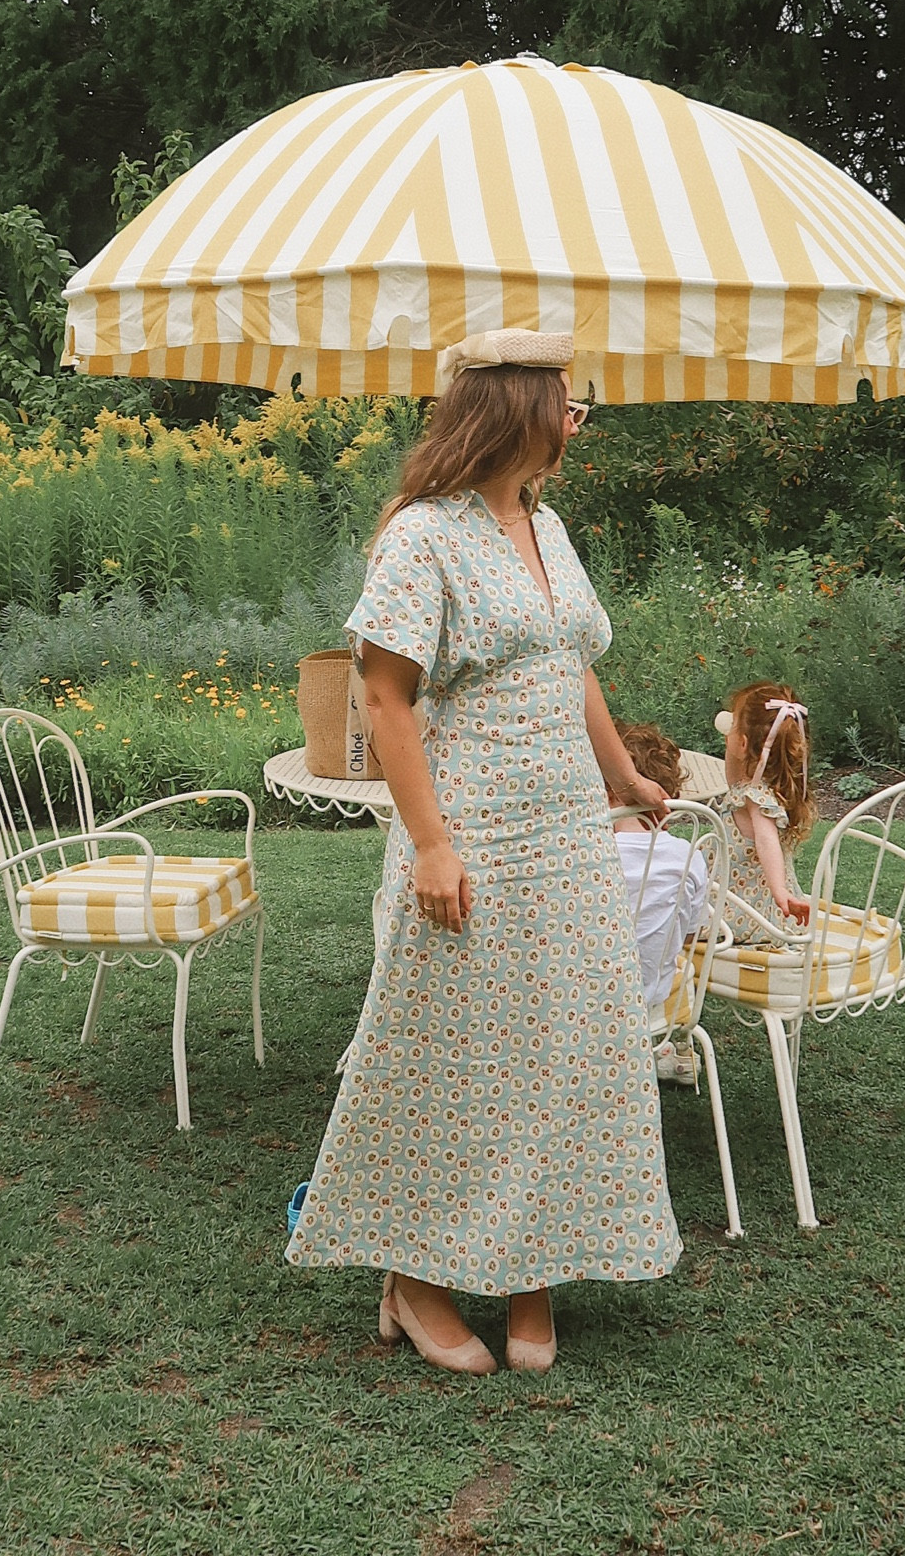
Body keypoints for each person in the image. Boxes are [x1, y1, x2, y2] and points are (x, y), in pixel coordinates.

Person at [284, 328, 682, 1377]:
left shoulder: (546, 526)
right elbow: (383, 698)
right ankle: (414, 1280)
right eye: (568, 403)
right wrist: (430, 845)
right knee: (451, 1060)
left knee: (563, 1051)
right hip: (475, 835)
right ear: (518, 410)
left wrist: (622, 777)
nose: (578, 421)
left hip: (567, 834)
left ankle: (529, 1268)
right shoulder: (422, 535)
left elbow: (571, 661)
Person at [607, 724, 710, 1087]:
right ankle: (669, 1050)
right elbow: (691, 936)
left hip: (581, 1001)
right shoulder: (687, 855)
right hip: (650, 998)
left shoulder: (589, 854)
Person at [716, 680, 815, 939]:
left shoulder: (756, 799)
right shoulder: (761, 787)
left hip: (749, 908)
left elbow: (766, 840)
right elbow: (732, 778)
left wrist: (779, 890)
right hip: (743, 895)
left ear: (743, 743)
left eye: (733, 724)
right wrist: (734, 743)